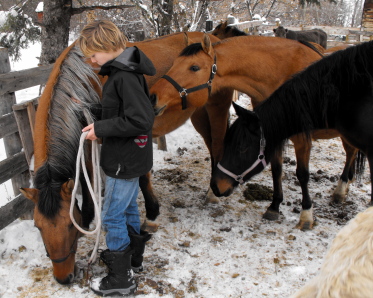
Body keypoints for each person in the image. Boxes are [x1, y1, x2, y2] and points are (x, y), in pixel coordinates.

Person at [77, 20, 156, 296]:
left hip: (124, 160)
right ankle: (133, 261)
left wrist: (101, 129)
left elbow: (140, 119)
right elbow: (120, 112)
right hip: (131, 157)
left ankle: (120, 278)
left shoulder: (123, 77)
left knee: (112, 216)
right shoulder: (124, 73)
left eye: (93, 54)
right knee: (128, 210)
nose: (91, 60)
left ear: (106, 46)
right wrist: (92, 112)